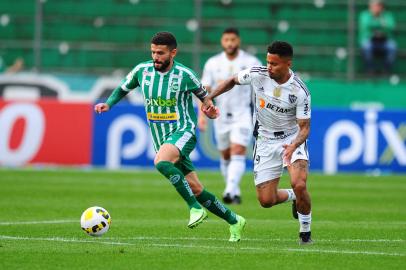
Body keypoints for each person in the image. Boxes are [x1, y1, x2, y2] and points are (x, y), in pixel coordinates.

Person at [94, 32, 246, 242]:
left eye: (161, 53)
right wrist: (108, 103)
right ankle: (234, 220)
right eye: (153, 52)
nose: (156, 56)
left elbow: (206, 99)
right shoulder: (142, 71)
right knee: (196, 188)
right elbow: (123, 88)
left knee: (162, 162)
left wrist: (210, 110)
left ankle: (194, 208)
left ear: (173, 53)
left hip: (183, 131)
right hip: (161, 137)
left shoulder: (185, 75)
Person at [202, 41, 313, 244]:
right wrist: (209, 97)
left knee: (299, 183)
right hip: (264, 140)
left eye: (274, 63)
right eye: (268, 61)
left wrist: (294, 145)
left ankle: (305, 232)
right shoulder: (257, 74)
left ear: (288, 63)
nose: (269, 66)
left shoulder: (300, 91)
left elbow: (304, 127)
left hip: (290, 140)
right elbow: (232, 80)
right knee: (266, 201)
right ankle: (294, 197)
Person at [198, 28, 261, 205]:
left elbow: (259, 90)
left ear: (238, 41)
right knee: (225, 156)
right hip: (220, 117)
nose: (230, 43)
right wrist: (201, 117)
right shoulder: (212, 63)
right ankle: (234, 190)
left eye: (233, 39)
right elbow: (203, 91)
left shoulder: (250, 62)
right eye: (226, 40)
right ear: (222, 41)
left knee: (238, 151)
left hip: (243, 115)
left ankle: (229, 190)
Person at [359, 0, 396, 74]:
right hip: (369, 40)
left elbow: (391, 26)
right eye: (375, 6)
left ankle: (385, 71)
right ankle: (370, 70)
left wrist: (381, 20)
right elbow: (366, 26)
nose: (377, 8)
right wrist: (379, 24)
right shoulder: (365, 15)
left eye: (379, 5)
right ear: (370, 7)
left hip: (384, 41)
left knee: (392, 46)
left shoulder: (387, 15)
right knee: (366, 47)